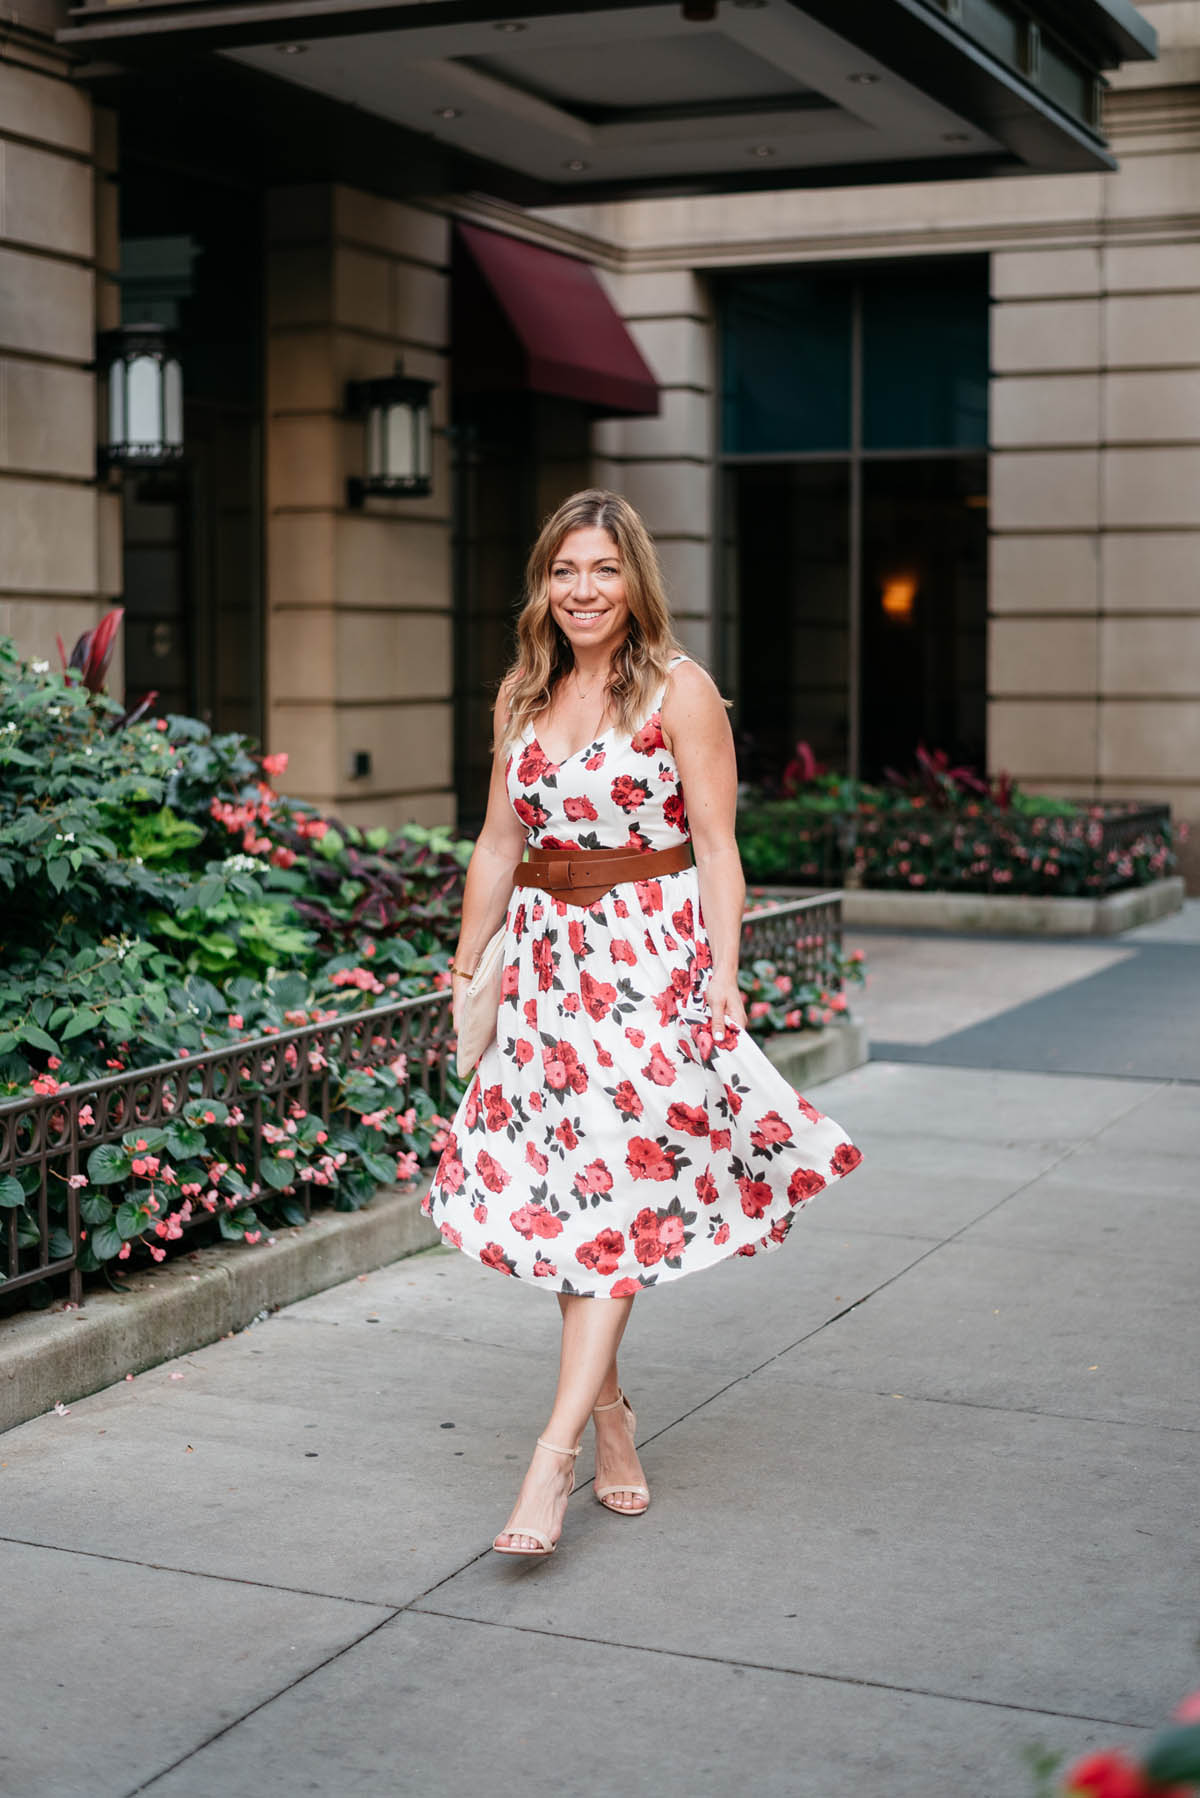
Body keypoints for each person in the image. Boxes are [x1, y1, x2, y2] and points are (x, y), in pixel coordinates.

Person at [421, 489, 864, 1558]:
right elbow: (493, 842)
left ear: (635, 584)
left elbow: (716, 843)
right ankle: (614, 1418)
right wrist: (469, 958)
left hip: (647, 964)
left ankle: (553, 1452)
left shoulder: (679, 690)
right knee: (575, 1195)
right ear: (545, 583)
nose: (583, 590)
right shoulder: (524, 693)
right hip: (543, 974)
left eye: (603, 571)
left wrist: (722, 976)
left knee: (619, 1190)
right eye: (566, 570)